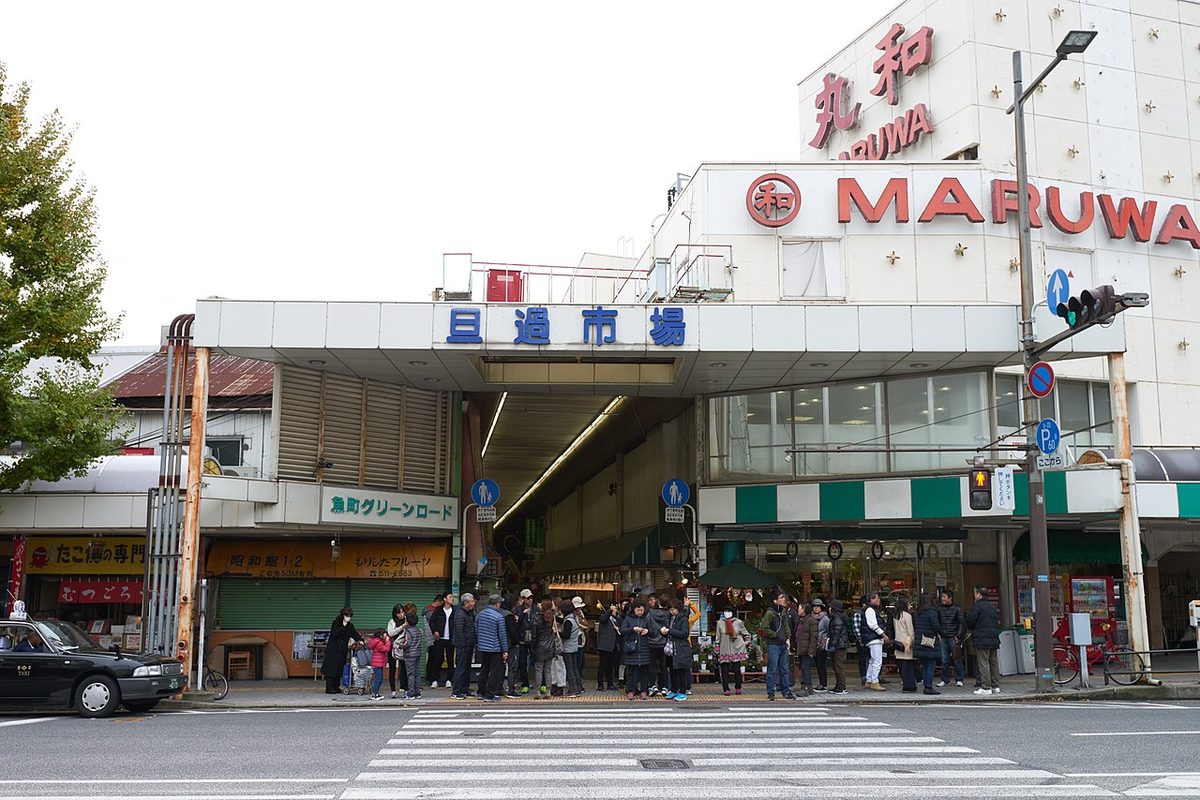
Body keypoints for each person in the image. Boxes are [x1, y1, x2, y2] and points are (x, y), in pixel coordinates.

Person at [761, 590, 797, 701]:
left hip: (783, 643)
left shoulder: (784, 612)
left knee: (784, 669)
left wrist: (788, 638)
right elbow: (765, 628)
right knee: (772, 669)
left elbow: (786, 626)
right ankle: (771, 692)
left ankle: (786, 691)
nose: (784, 599)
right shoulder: (770, 613)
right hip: (773, 644)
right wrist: (775, 635)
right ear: (775, 600)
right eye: (781, 597)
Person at [966, 586, 1001, 696]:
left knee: (983, 663)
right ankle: (995, 686)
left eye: (975, 593)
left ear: (979, 595)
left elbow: (970, 621)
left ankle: (986, 687)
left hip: (982, 638)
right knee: (993, 662)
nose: (974, 596)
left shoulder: (977, 606)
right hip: (993, 637)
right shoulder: (992, 607)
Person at [474, 594, 509, 702]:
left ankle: (481, 691)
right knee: (495, 671)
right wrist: (505, 650)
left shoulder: (480, 614)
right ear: (497, 603)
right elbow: (502, 635)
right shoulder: (499, 617)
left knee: (484, 669)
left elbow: (476, 629)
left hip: (483, 647)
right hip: (495, 648)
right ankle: (490, 694)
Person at [320, 607, 360, 694]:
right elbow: (334, 634)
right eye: (346, 615)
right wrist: (343, 627)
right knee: (331, 669)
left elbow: (354, 634)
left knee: (339, 668)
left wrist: (360, 640)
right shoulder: (336, 623)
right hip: (333, 650)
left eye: (350, 616)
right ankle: (329, 688)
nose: (348, 617)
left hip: (342, 650)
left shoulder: (350, 626)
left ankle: (336, 686)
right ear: (342, 615)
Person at [620, 599, 652, 699]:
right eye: (638, 610)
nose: (640, 612)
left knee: (644, 672)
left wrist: (647, 631)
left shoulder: (646, 619)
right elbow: (622, 630)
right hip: (632, 649)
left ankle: (644, 691)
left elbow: (654, 631)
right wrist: (633, 629)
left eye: (642, 610)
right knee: (631, 672)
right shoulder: (628, 619)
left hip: (644, 649)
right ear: (634, 609)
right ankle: (630, 690)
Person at [714, 608, 749, 695]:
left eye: (729, 611)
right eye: (725, 611)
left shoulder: (738, 622)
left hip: (736, 648)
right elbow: (718, 637)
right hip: (724, 648)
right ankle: (726, 689)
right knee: (724, 670)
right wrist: (717, 648)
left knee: (737, 670)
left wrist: (746, 642)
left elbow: (746, 634)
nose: (727, 613)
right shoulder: (720, 623)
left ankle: (738, 687)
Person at [450, 593, 477, 699]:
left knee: (466, 668)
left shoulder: (469, 613)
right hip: (462, 645)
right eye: (471, 601)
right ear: (466, 603)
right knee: (460, 668)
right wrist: (463, 644)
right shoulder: (460, 614)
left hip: (469, 644)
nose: (473, 603)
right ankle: (456, 691)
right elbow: (459, 631)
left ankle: (464, 689)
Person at [914, 593, 942, 695]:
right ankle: (928, 687)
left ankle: (926, 685)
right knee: (930, 665)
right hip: (930, 641)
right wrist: (941, 633)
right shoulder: (932, 612)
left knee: (925, 665)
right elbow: (936, 627)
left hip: (921, 641)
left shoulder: (919, 612)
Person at [937, 590, 966, 688]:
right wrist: (939, 634)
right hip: (943, 637)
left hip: (953, 637)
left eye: (944, 597)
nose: (942, 599)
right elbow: (937, 621)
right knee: (944, 659)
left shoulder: (957, 608)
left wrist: (958, 636)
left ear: (950, 598)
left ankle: (959, 679)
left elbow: (962, 623)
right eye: (942, 597)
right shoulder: (939, 608)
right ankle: (944, 679)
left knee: (957, 658)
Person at [862, 592, 891, 691]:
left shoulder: (869, 609)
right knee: (877, 660)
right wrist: (883, 634)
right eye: (876, 599)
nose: (878, 600)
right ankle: (874, 681)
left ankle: (869, 680)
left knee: (872, 660)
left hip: (871, 638)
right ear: (871, 599)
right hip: (874, 638)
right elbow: (873, 625)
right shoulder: (870, 610)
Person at [427, 593, 456, 688]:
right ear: (445, 599)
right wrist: (434, 631)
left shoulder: (455, 610)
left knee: (450, 659)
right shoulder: (438, 610)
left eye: (452, 597)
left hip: (451, 638)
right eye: (450, 597)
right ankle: (435, 679)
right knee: (437, 659)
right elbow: (432, 622)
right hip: (439, 638)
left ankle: (449, 680)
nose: (452, 599)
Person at [665, 600, 693, 701]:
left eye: (673, 609)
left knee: (681, 670)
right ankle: (673, 690)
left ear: (678, 609)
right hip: (672, 648)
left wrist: (670, 631)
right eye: (670, 610)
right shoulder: (671, 618)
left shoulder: (683, 619)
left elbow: (685, 633)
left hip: (681, 648)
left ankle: (682, 692)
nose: (671, 612)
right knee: (672, 670)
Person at [531, 600, 557, 699]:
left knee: (538, 670)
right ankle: (548, 692)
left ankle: (537, 692)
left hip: (539, 647)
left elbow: (534, 635)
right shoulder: (552, 618)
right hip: (550, 647)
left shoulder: (537, 618)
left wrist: (533, 646)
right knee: (548, 670)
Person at [646, 594, 670, 696]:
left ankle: (652, 685)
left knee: (652, 665)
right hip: (664, 643)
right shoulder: (669, 614)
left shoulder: (650, 613)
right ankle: (664, 687)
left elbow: (648, 626)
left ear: (658, 602)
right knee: (663, 666)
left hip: (652, 642)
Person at [559, 600, 583, 697]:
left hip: (568, 648)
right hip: (574, 647)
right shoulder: (574, 618)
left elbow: (566, 635)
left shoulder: (568, 621)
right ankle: (578, 688)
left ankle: (572, 690)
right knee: (575, 668)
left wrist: (557, 632)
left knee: (570, 669)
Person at [893, 596, 917, 693]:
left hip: (898, 642)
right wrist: (912, 641)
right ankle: (909, 686)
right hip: (906, 643)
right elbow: (910, 631)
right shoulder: (907, 616)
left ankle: (905, 684)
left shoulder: (896, 616)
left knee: (902, 665)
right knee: (908, 666)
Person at [794, 602, 818, 697]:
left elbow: (814, 637)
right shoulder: (800, 620)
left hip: (806, 649)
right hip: (801, 648)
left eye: (799, 608)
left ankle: (805, 688)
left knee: (805, 668)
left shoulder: (811, 621)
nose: (798, 610)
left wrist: (811, 650)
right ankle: (809, 687)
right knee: (803, 668)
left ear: (804, 610)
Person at [826, 599, 850, 695]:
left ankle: (842, 687)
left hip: (838, 645)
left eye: (830, 607)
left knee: (838, 666)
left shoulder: (836, 618)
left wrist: (832, 645)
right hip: (840, 644)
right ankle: (838, 686)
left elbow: (836, 633)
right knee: (836, 666)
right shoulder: (838, 617)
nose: (829, 608)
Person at [596, 602, 622, 691]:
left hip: (613, 645)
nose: (616, 610)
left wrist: (618, 629)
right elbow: (603, 619)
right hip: (604, 645)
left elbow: (620, 629)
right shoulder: (605, 617)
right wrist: (608, 611)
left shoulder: (616, 619)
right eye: (614, 609)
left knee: (611, 666)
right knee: (603, 665)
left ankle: (610, 683)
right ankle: (600, 684)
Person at [501, 596, 521, 698]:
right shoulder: (509, 616)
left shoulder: (500, 613)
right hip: (510, 644)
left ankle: (499, 688)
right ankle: (511, 689)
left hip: (499, 643)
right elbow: (513, 632)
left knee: (499, 667)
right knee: (512, 667)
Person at [516, 589, 536, 693]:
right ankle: (525, 683)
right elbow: (516, 624)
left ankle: (542, 683)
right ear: (523, 599)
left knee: (537, 662)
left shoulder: (536, 609)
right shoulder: (518, 610)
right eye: (528, 598)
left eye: (531, 598)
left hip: (534, 639)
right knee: (522, 663)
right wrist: (522, 615)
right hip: (522, 639)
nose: (530, 600)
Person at [386, 604, 407, 699]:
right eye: (399, 612)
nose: (401, 614)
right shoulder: (392, 622)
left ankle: (404, 689)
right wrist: (402, 626)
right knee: (392, 668)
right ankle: (393, 690)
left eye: (403, 612)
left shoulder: (407, 620)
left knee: (404, 668)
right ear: (395, 613)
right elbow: (391, 633)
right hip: (393, 647)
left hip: (403, 647)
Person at [365, 628, 390, 700]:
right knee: (378, 679)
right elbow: (386, 649)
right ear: (380, 635)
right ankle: (374, 694)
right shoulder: (378, 642)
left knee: (380, 679)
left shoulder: (377, 641)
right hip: (377, 664)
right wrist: (387, 642)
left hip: (378, 663)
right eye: (384, 633)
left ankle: (376, 693)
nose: (386, 634)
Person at [851, 595, 869, 687]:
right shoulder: (859, 613)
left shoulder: (869, 612)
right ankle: (864, 677)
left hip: (868, 639)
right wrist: (860, 640)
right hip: (863, 640)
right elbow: (856, 628)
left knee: (870, 659)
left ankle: (870, 678)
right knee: (863, 660)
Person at [812, 599, 829, 691]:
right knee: (817, 665)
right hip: (813, 644)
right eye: (814, 606)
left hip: (821, 645)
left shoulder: (825, 618)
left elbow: (828, 631)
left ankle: (823, 684)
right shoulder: (811, 617)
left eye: (818, 606)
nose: (816, 608)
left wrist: (825, 640)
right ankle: (821, 683)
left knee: (821, 664)